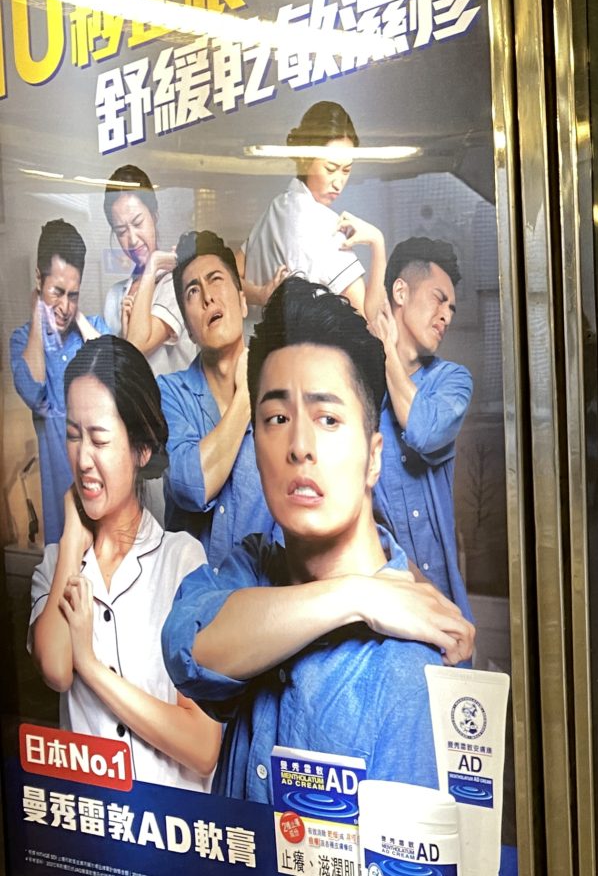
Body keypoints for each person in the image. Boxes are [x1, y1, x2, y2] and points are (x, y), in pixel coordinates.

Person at [164, 278, 474, 803]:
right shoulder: (254, 566)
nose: (300, 446)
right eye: (277, 418)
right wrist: (358, 596)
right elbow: (187, 647)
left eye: (328, 419)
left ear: (374, 456)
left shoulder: (412, 663)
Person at [29, 337, 219, 791]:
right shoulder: (56, 565)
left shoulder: (182, 561)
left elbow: (202, 746)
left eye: (99, 439)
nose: (83, 459)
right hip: (91, 826)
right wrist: (72, 540)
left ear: (140, 449)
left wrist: (91, 666)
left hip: (169, 826)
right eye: (73, 436)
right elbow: (56, 669)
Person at [371, 237, 474, 622]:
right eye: (438, 299)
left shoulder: (453, 381)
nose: (447, 315)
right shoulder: (356, 390)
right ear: (400, 292)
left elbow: (425, 431)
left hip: (446, 605)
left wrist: (387, 353)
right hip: (380, 608)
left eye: (451, 308)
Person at [158, 232, 273, 567]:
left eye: (216, 280)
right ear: (188, 329)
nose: (208, 297)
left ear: (242, 302)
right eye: (193, 291)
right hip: (191, 595)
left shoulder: (281, 389)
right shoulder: (169, 394)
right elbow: (191, 486)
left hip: (268, 591)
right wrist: (246, 396)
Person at [11, 220, 108, 545]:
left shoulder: (95, 329)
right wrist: (38, 315)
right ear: (39, 279)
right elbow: (34, 390)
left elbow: (113, 371)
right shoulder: (22, 342)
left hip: (107, 509)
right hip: (60, 517)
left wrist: (77, 316)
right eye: (57, 292)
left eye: (73, 295)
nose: (65, 306)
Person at [243, 101, 377, 317]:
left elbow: (230, 277)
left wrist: (260, 295)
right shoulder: (326, 225)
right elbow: (369, 320)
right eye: (330, 169)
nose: (338, 182)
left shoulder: (277, 208)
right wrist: (377, 242)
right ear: (305, 159)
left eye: (346, 170)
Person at [100, 166, 195, 377]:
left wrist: (153, 265)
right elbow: (115, 372)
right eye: (121, 231)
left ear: (154, 215)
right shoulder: (114, 297)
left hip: (170, 399)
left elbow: (137, 346)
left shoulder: (176, 283)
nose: (132, 240)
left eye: (138, 223)